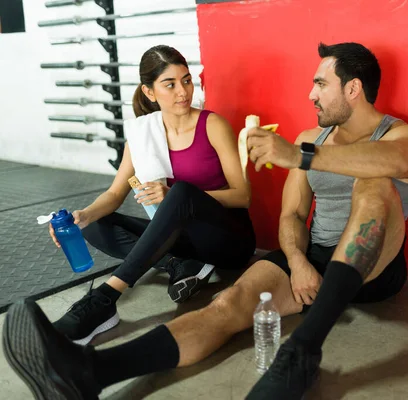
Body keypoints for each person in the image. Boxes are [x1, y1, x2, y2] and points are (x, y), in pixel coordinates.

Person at [2, 42, 408, 400]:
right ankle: (90, 372)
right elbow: (293, 214)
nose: (311, 95)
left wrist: (300, 156)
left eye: (320, 83)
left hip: (376, 270)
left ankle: (300, 354)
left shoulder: (402, 135)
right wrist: (297, 260)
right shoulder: (307, 138)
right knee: (227, 304)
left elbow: (399, 161)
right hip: (312, 260)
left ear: (353, 88)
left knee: (374, 184)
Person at [48, 45, 256, 346]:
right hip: (182, 241)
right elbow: (115, 192)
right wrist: (83, 215)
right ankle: (179, 266)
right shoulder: (142, 134)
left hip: (227, 240)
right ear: (150, 92)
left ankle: (106, 297)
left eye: (186, 80)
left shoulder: (212, 125)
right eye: (169, 84)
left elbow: (243, 196)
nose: (182, 91)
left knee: (182, 193)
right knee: (95, 224)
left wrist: (175, 196)